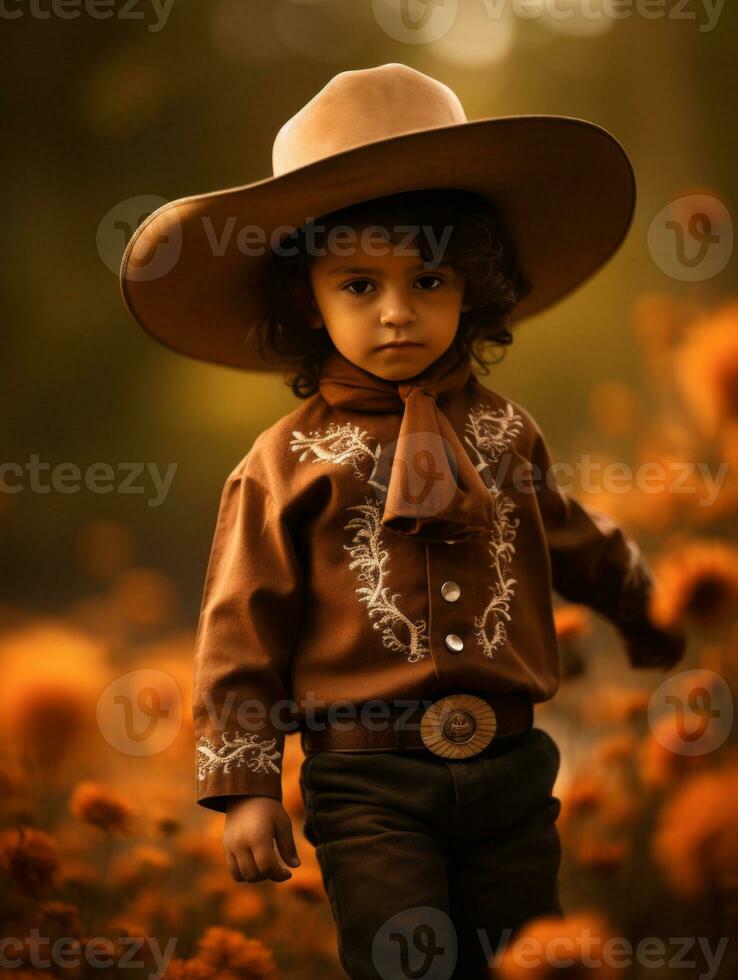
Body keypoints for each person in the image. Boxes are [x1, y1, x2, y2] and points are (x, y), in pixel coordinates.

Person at [120, 63, 688, 980]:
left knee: (527, 955)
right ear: (309, 298)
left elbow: (570, 535)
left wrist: (650, 608)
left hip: (513, 768)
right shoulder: (283, 464)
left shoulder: (505, 430)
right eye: (359, 286)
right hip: (365, 783)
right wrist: (246, 788)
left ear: (475, 286)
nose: (396, 312)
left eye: (428, 279)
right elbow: (240, 635)